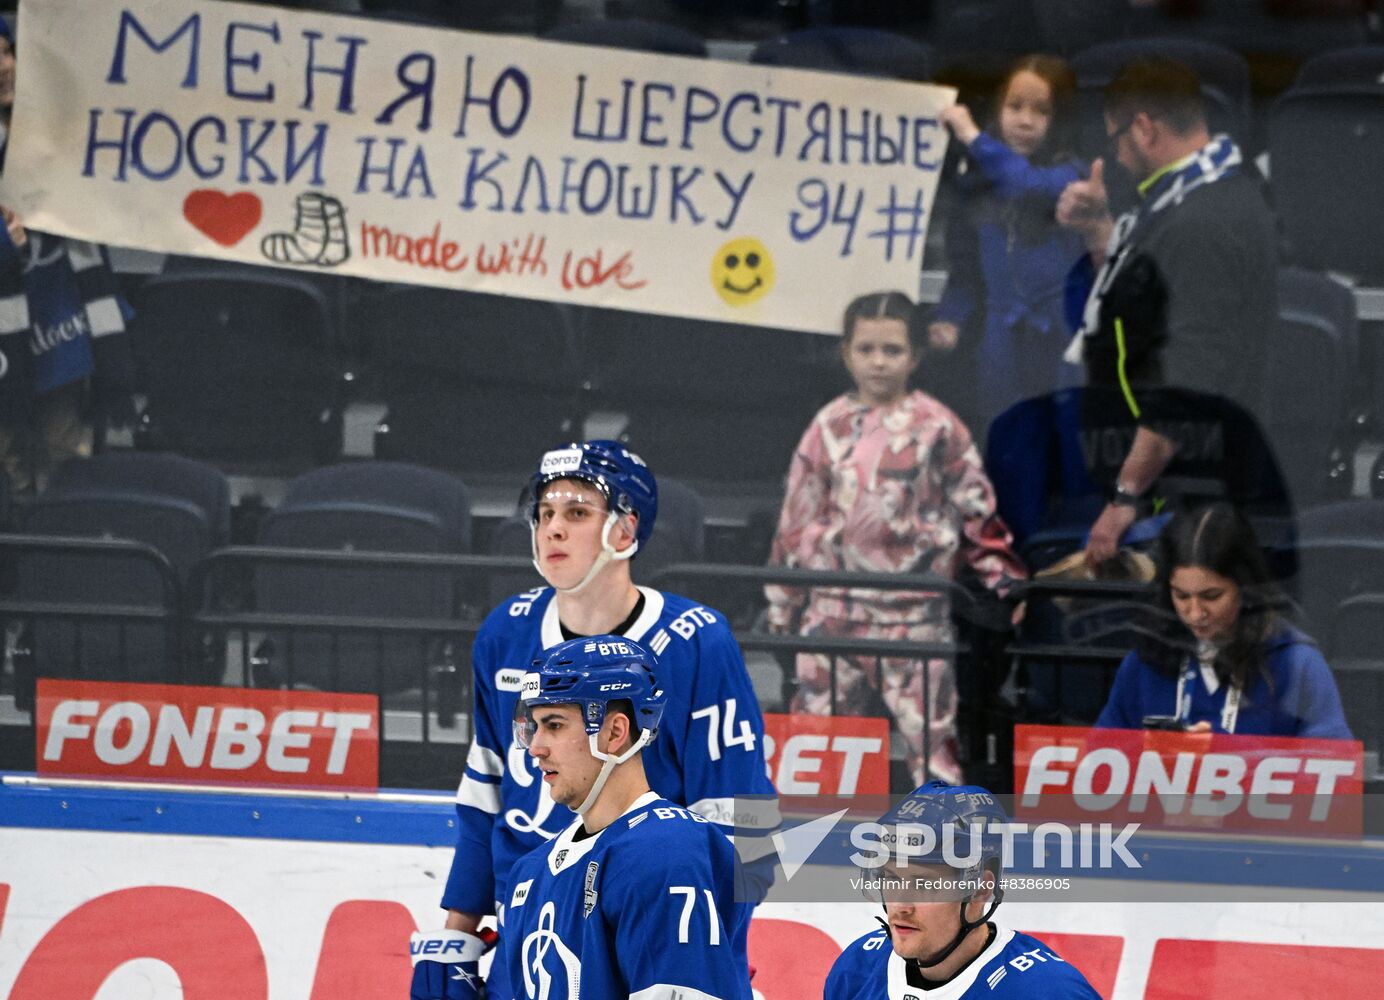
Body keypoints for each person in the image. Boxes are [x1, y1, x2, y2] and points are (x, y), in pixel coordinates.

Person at [412, 440, 774, 999]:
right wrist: (457, 935)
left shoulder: (696, 642)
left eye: (577, 512)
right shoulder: (505, 633)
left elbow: (740, 821)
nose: (552, 529)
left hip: (638, 924)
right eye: (545, 513)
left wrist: (715, 949)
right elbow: (486, 795)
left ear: (626, 531)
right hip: (528, 926)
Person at [766, 292, 1026, 786]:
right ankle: (809, 853)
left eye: (892, 350)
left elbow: (977, 506)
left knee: (933, 748)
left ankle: (945, 855)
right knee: (816, 748)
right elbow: (797, 517)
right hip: (832, 614)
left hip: (915, 616)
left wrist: (1004, 581)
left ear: (915, 357)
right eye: (866, 349)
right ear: (846, 353)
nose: (879, 362)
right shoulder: (826, 426)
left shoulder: (939, 426)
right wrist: (783, 603)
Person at [1056, 57, 1279, 568]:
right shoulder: (1210, 194)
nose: (1118, 156)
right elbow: (1150, 279)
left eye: (1116, 140)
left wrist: (1123, 500)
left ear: (1143, 128)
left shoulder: (1200, 224)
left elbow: (1181, 395)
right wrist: (1096, 230)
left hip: (1188, 493)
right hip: (1181, 479)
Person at [488, 636, 751, 1000]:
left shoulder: (667, 850)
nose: (535, 748)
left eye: (555, 725)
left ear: (614, 732)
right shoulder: (529, 874)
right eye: (533, 726)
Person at [0, 14, 135, 496]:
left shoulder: (63, 133)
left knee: (64, 464)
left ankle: (61, 566)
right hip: (4, 334)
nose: (4, 67)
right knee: (10, 462)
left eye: (7, 51)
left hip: (61, 322)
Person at [826, 781, 1101, 999]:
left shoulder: (1047, 991)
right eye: (891, 879)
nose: (900, 905)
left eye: (924, 884)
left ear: (981, 890)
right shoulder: (859, 966)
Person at [1096, 503, 1351, 737]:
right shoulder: (1145, 659)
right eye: (1181, 596)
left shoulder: (1297, 664)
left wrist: (1229, 755)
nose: (1195, 613)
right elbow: (1101, 753)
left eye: (1212, 596)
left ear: (1245, 587)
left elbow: (1332, 765)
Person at [929, 55, 1088, 430]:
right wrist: (950, 320)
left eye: (1041, 111)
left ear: (1059, 120)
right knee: (1002, 426)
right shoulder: (977, 186)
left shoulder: (1071, 173)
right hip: (1002, 334)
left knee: (1062, 429)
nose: (1025, 121)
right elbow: (967, 273)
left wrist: (972, 137)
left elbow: (1027, 185)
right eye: (1014, 107)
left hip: (1059, 330)